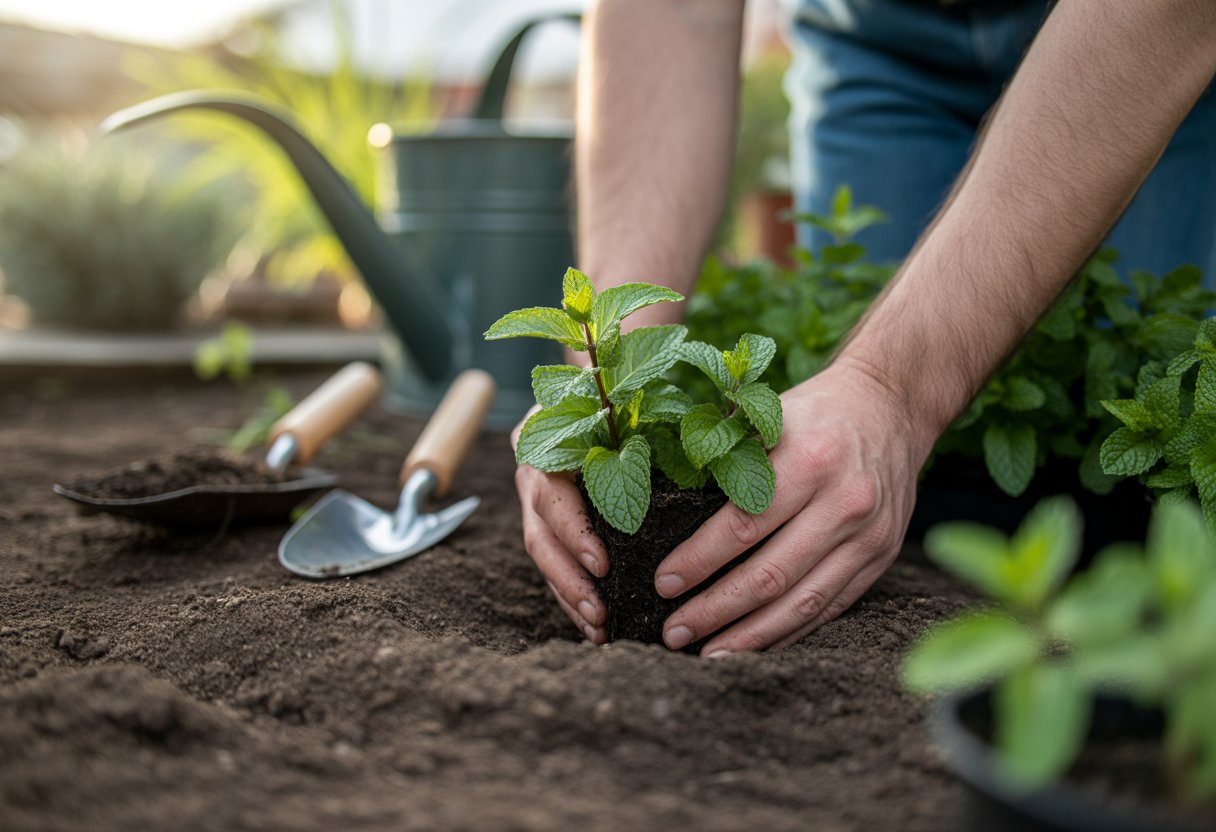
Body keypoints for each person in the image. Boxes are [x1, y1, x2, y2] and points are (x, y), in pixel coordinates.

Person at [513, 0, 1216, 654]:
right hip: (881, 30)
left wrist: (895, 389)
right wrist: (602, 382)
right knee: (858, 489)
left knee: (1134, 395)